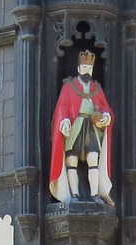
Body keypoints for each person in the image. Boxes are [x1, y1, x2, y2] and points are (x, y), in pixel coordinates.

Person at [50, 50, 114, 205]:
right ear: (79, 69)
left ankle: (94, 195)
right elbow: (62, 107)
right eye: (84, 68)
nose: (87, 71)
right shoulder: (69, 86)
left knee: (94, 159)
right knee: (71, 161)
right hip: (75, 127)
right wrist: (64, 119)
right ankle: (75, 194)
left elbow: (106, 107)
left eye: (90, 69)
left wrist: (106, 116)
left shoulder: (96, 88)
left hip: (91, 127)